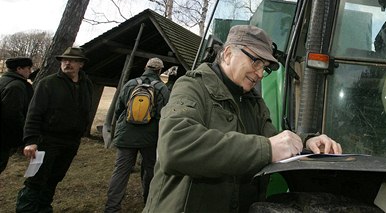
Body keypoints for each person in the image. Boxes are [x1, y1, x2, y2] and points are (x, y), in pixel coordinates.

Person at [143, 25, 342, 213]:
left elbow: (273, 139)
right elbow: (174, 147)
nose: (260, 74)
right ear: (228, 54)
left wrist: (307, 142)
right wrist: (266, 149)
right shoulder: (192, 87)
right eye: (256, 62)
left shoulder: (253, 101)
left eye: (264, 67)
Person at [16, 47, 94, 213]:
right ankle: (26, 210)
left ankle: (44, 209)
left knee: (54, 179)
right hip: (47, 141)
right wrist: (31, 141)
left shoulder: (86, 84)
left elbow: (86, 110)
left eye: (72, 60)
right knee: (35, 180)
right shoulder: (48, 83)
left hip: (71, 142)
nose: (67, 63)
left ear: (81, 64)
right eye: (64, 60)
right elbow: (34, 113)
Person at [104, 57, 170, 213]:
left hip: (126, 135)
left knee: (120, 171)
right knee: (150, 170)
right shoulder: (162, 88)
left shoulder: (130, 84)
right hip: (150, 138)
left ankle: (111, 208)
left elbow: (119, 108)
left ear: (146, 67)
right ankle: (148, 203)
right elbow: (164, 115)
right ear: (159, 71)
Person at [0, 57, 34, 174]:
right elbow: (13, 115)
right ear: (19, 69)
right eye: (28, 68)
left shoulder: (4, 81)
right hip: (4, 138)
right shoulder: (16, 86)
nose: (30, 71)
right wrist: (24, 136)